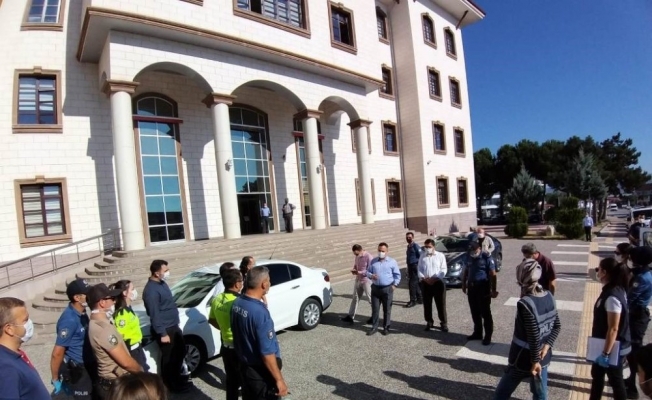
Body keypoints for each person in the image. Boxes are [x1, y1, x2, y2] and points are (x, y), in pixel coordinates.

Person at [493, 259, 561, 400]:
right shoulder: (549, 296)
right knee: (540, 394)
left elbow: (533, 336)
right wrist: (547, 346)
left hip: (522, 359)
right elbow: (557, 326)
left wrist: (535, 362)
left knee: (501, 394)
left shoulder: (525, 304)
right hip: (544, 356)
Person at [231, 266, 289, 399]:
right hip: (260, 371)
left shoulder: (237, 303)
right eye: (269, 280)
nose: (270, 283)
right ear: (263, 284)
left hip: (244, 366)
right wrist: (279, 380)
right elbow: (267, 353)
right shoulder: (260, 313)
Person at [142, 259, 191, 393]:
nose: (168, 272)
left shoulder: (162, 283)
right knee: (170, 359)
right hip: (165, 329)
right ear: (156, 273)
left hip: (173, 326)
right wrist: (162, 333)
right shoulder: (151, 291)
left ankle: (178, 379)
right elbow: (154, 314)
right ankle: (171, 384)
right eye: (165, 270)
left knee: (179, 352)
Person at [87, 284, 143, 398]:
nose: (114, 301)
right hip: (116, 384)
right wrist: (141, 372)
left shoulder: (97, 322)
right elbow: (126, 363)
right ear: (102, 302)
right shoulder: (104, 329)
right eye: (112, 299)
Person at [589, 257, 631, 400]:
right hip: (604, 344)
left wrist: (605, 354)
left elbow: (613, 328)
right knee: (597, 376)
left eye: (598, 269)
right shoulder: (615, 289)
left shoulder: (612, 296)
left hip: (612, 347)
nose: (597, 272)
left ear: (605, 272)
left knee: (615, 380)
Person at [50, 278, 94, 400]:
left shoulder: (82, 312)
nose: (90, 295)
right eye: (87, 293)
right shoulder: (69, 320)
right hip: (79, 370)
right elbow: (57, 353)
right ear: (77, 298)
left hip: (89, 364)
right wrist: (55, 378)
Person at [0, 297, 50, 399]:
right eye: (25, 320)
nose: (30, 323)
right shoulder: (6, 368)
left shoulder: (14, 354)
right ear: (9, 329)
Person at [209, 269, 243, 400]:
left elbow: (211, 320)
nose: (242, 283)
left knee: (231, 380)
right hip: (239, 347)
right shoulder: (238, 301)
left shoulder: (217, 299)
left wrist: (224, 328)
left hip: (225, 345)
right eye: (241, 281)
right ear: (236, 284)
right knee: (245, 380)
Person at [625, 246, 652, 398]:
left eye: (632, 257)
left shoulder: (642, 278)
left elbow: (630, 298)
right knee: (632, 351)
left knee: (634, 352)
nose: (629, 260)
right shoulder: (643, 273)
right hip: (637, 315)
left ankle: (634, 388)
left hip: (637, 317)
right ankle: (631, 380)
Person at [462, 241, 498, 345]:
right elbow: (466, 271)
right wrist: (464, 284)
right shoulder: (469, 256)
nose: (472, 252)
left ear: (479, 249)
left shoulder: (486, 257)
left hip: (483, 287)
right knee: (474, 312)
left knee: (485, 313)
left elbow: (493, 274)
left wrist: (493, 289)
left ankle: (488, 336)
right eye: (471, 250)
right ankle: (477, 333)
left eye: (474, 250)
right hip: (472, 287)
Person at [111, 280, 149, 371]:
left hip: (137, 347)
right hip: (132, 350)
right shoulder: (121, 313)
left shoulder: (128, 308)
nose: (134, 291)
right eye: (132, 289)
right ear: (125, 293)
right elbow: (123, 336)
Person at [365, 242, 401, 336]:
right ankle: (374, 327)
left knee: (387, 309)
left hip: (387, 289)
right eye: (379, 250)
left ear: (387, 251)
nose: (381, 252)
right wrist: (371, 275)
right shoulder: (373, 261)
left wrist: (394, 285)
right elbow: (367, 272)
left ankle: (386, 327)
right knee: (375, 309)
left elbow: (397, 275)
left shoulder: (392, 262)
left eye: (383, 251)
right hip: (375, 289)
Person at [418, 238, 448, 332]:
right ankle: (429, 322)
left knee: (440, 304)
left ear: (434, 246)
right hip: (426, 283)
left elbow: (443, 269)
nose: (427, 248)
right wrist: (424, 278)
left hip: (437, 283)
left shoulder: (440, 256)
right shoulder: (422, 256)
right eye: (426, 247)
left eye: (429, 247)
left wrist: (435, 278)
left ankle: (443, 323)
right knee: (427, 304)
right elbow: (419, 269)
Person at [341, 244, 374, 324]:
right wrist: (354, 269)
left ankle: (374, 317)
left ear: (360, 250)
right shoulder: (357, 256)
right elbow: (356, 265)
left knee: (370, 299)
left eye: (356, 253)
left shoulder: (368, 257)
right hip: (358, 279)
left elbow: (370, 270)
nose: (355, 255)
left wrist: (359, 272)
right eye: (354, 254)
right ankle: (350, 316)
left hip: (366, 281)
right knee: (355, 298)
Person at [404, 232, 423, 308]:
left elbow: (421, 256)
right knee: (416, 283)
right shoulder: (409, 246)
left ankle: (413, 300)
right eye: (407, 237)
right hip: (410, 266)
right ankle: (420, 298)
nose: (408, 238)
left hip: (415, 266)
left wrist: (418, 266)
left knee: (412, 283)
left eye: (410, 237)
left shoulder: (415, 246)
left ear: (413, 237)